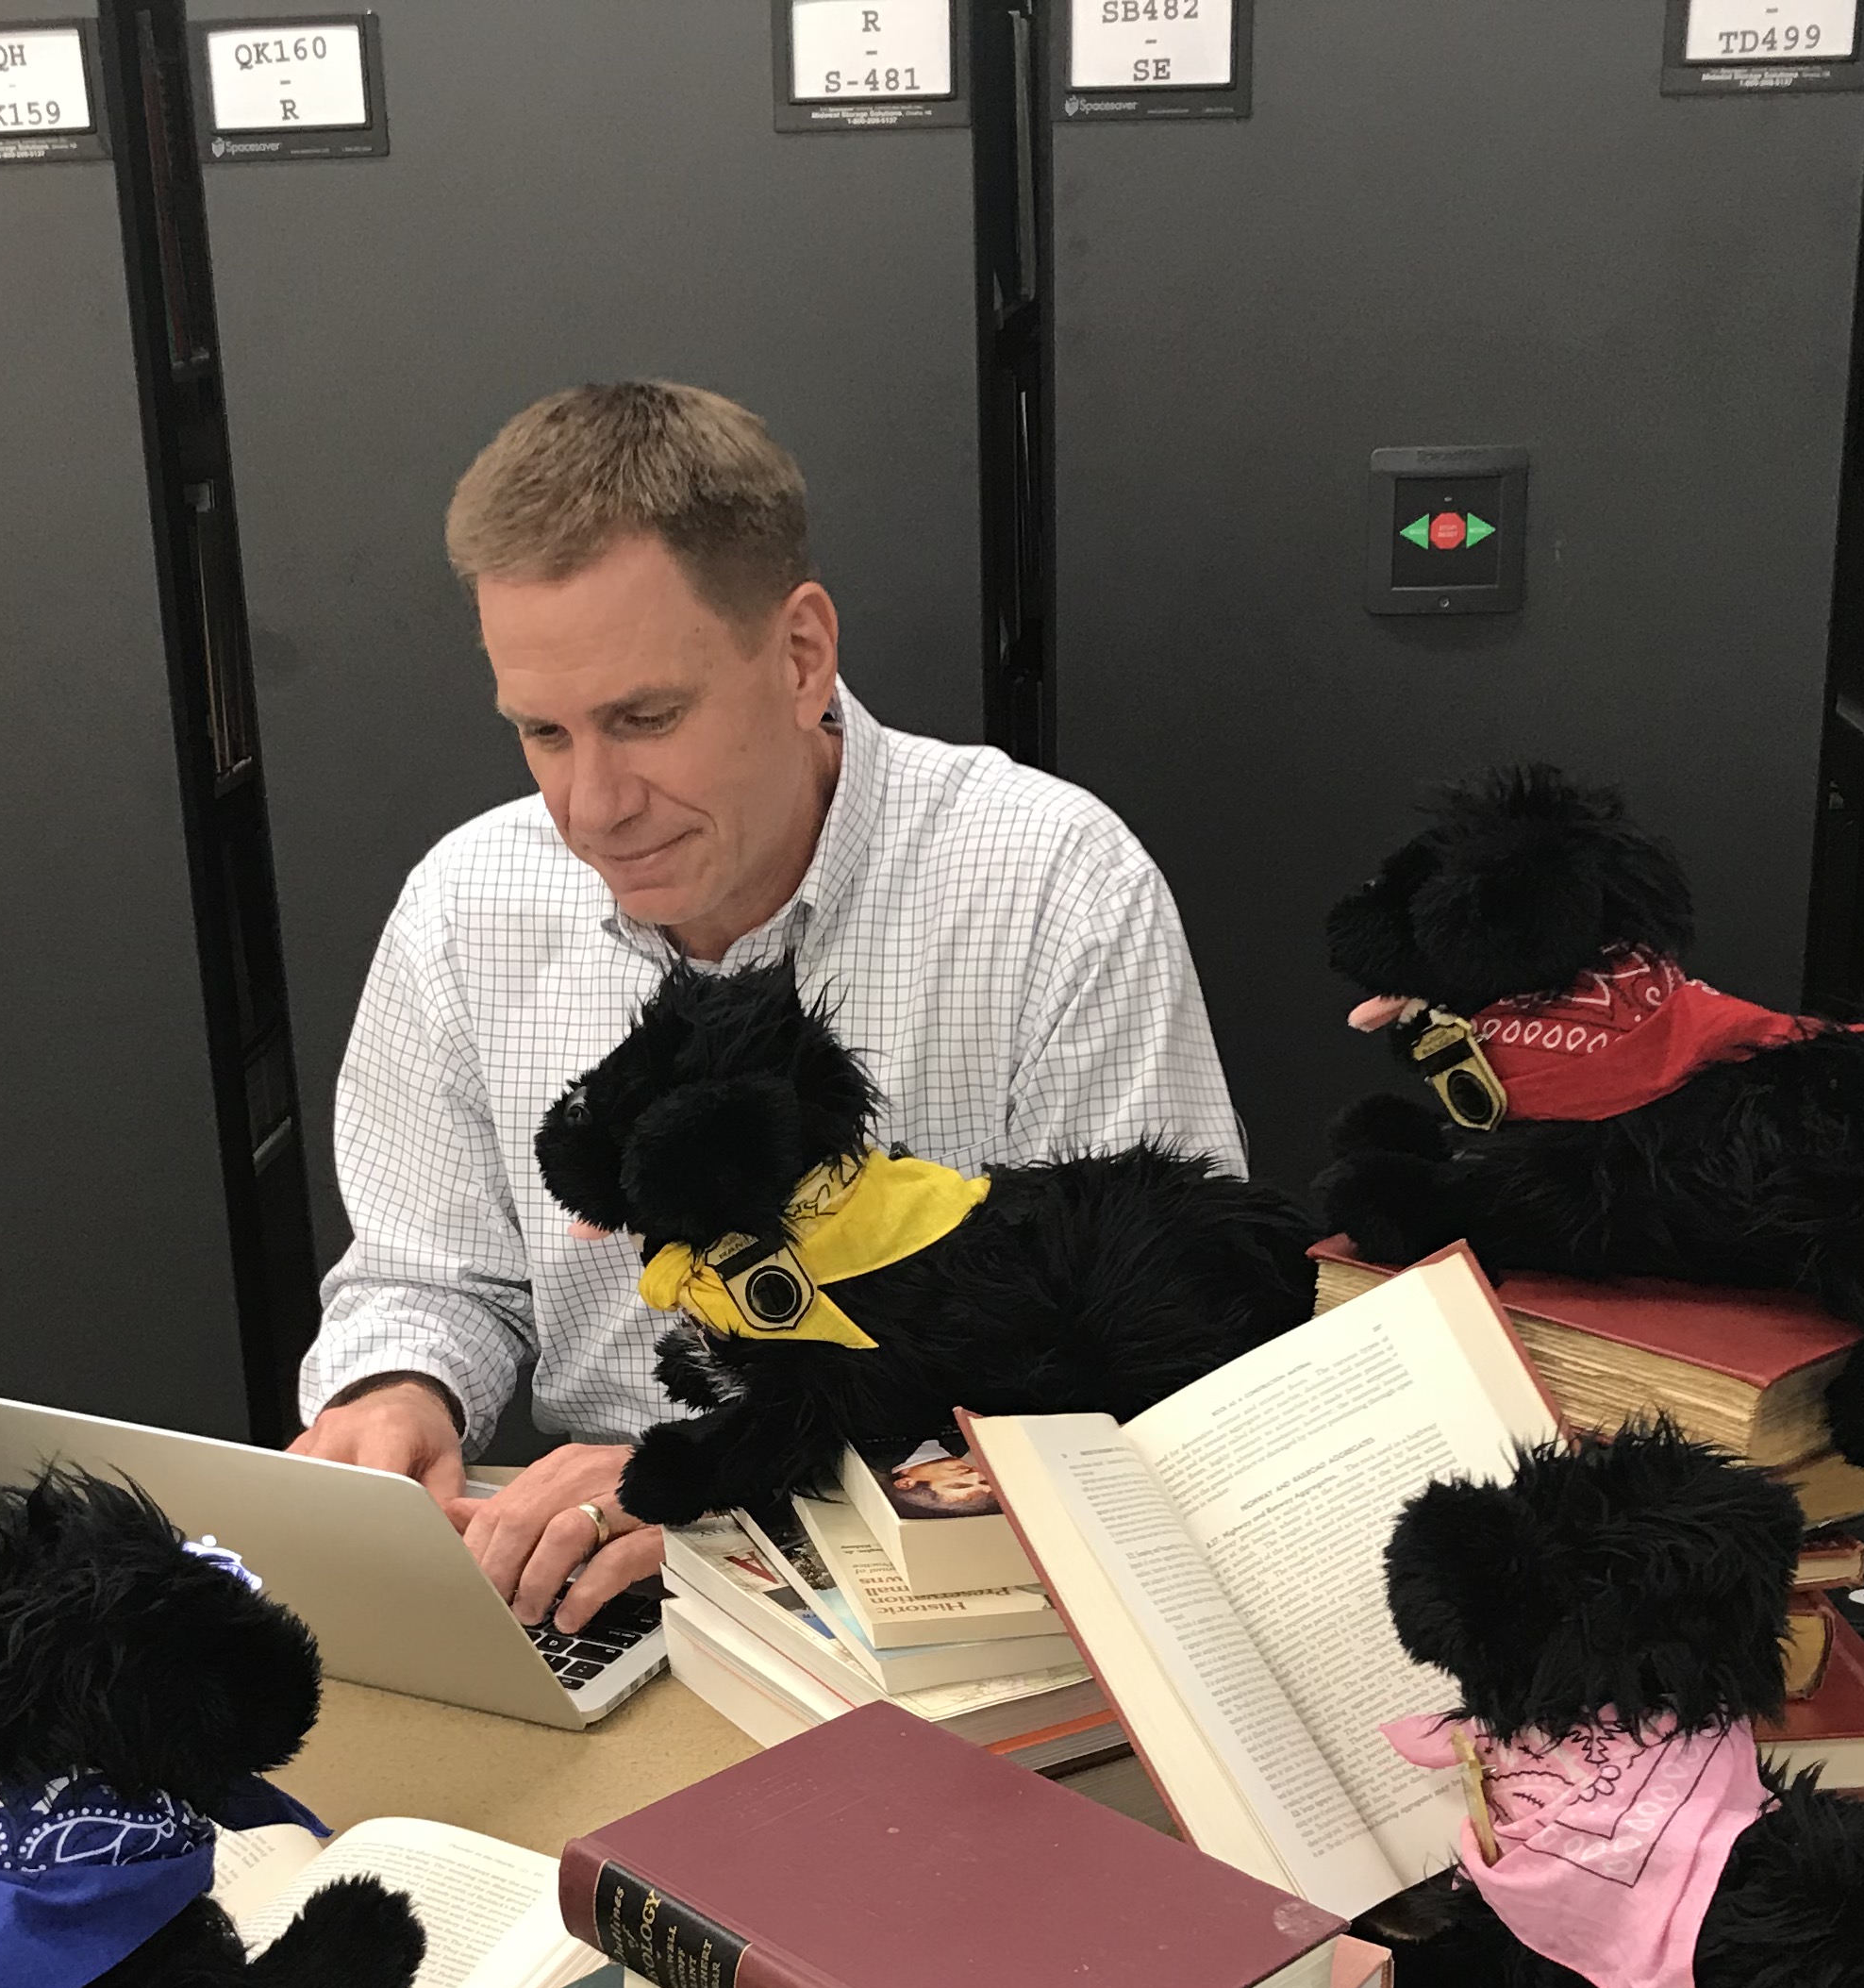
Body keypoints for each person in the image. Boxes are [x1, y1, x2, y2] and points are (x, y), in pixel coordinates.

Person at [287, 381, 1244, 1631]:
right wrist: (401, 1389)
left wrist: (749, 1494)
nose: (590, 808)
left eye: (644, 719)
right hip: (582, 1582)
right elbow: (428, 1276)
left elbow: (1169, 1351)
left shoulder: (1054, 884)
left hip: (933, 1594)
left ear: (800, 656)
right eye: (543, 732)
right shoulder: (465, 903)